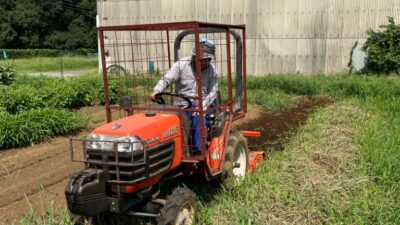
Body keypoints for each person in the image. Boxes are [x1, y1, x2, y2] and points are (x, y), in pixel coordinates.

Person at [151, 38, 218, 153]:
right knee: (168, 120)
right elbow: (167, 79)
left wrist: (201, 106)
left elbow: (213, 92)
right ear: (195, 56)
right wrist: (157, 90)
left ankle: (199, 152)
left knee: (198, 117)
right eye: (202, 59)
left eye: (208, 60)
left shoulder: (212, 71)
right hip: (182, 104)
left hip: (203, 105)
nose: (205, 62)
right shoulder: (181, 65)